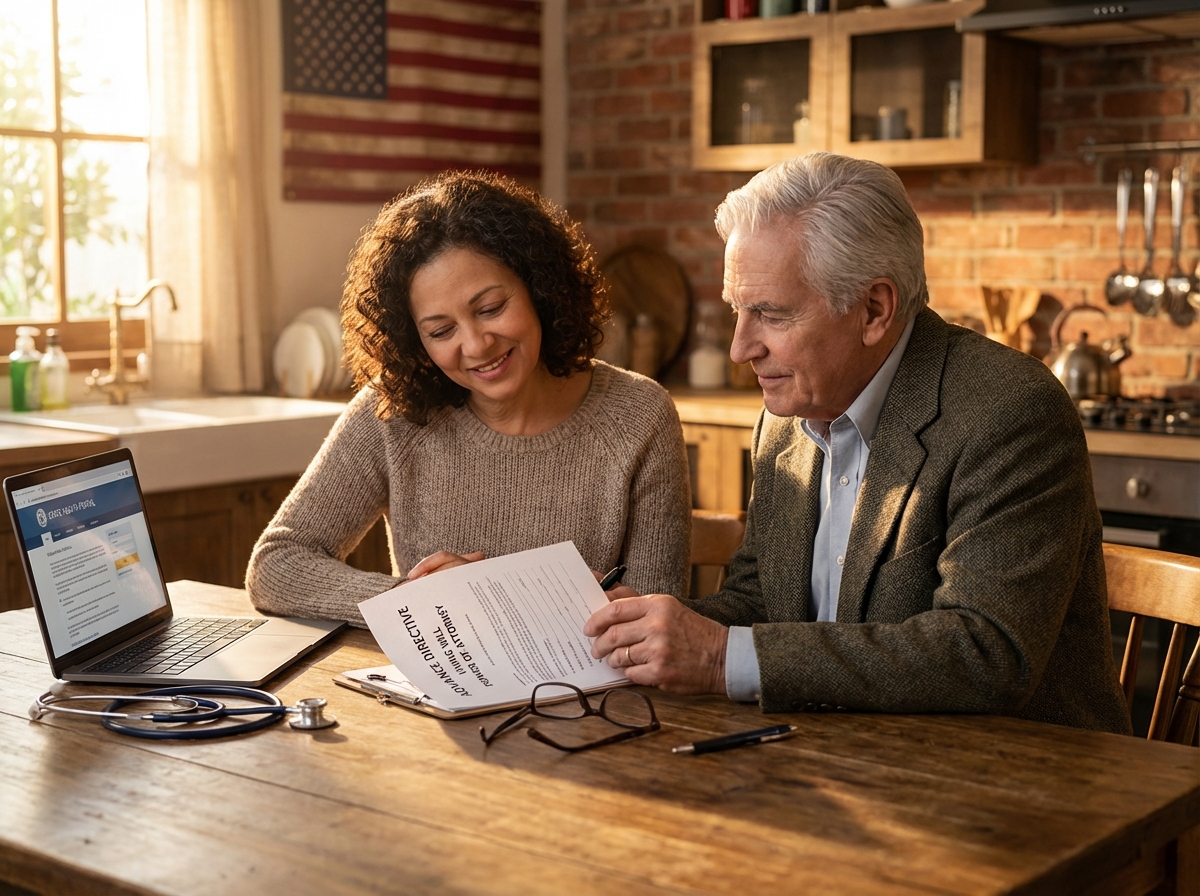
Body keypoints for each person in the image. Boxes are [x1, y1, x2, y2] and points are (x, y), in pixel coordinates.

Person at [584, 152, 1132, 734]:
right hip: (847, 755)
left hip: (1027, 778)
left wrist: (721, 657)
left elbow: (985, 652)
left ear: (874, 309)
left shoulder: (1010, 410)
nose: (741, 348)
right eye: (739, 311)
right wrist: (648, 629)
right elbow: (762, 601)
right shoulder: (787, 418)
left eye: (769, 314)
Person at [248, 171, 691, 627]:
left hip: (586, 693)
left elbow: (660, 622)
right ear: (415, 340)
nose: (477, 345)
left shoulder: (639, 415)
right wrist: (414, 598)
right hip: (435, 688)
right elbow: (276, 564)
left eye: (491, 308)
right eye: (441, 331)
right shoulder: (393, 412)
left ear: (540, 288)